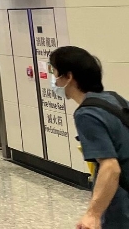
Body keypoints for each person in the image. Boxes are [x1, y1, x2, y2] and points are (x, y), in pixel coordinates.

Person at [49, 46, 129, 229]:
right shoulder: (114, 99)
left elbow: (111, 167)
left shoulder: (87, 114)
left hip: (122, 207)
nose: (54, 80)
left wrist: (93, 214)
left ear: (68, 77)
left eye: (55, 73)